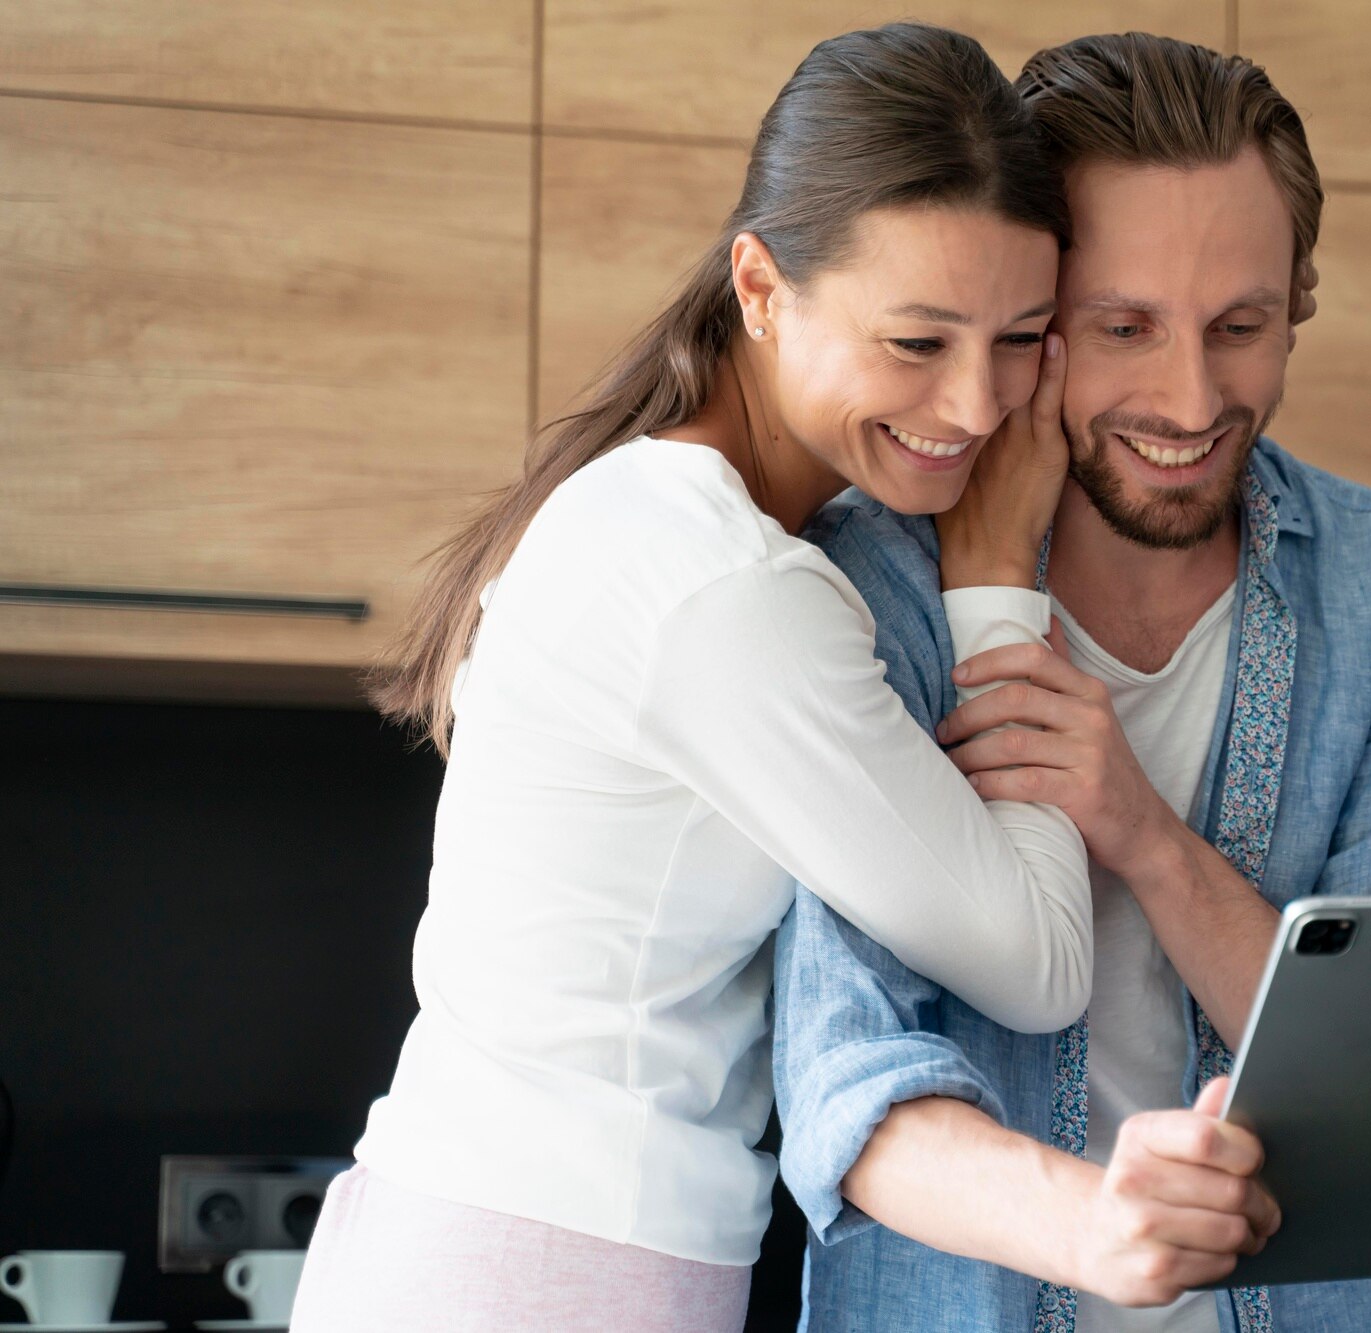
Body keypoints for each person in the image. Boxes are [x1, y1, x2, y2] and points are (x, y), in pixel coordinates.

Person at [289, 23, 1102, 1333]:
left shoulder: (671, 520)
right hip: (542, 1272)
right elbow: (1043, 957)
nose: (976, 405)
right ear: (763, 288)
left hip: (499, 1246)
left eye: (1021, 340)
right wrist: (1000, 575)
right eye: (918, 342)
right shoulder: (727, 583)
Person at [772, 32, 1371, 1333]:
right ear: (1037, 318)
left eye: (1241, 327)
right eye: (1123, 328)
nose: (1190, 396)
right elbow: (850, 1091)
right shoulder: (871, 583)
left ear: (1299, 306)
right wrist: (1100, 1226)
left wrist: (1149, 838)